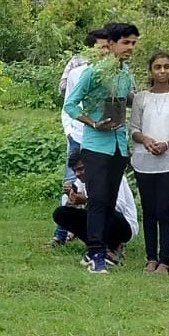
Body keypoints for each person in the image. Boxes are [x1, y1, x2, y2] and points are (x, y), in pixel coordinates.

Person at [63, 22, 140, 274]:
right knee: (96, 199)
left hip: (119, 144)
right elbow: (71, 104)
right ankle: (95, 252)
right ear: (112, 44)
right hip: (96, 145)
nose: (130, 47)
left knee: (108, 201)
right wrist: (93, 122)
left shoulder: (125, 72)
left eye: (134, 43)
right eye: (126, 42)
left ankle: (105, 247)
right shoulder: (93, 72)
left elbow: (129, 99)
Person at [129, 51, 169, 274]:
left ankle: (164, 260)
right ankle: (150, 258)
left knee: (164, 210)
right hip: (144, 160)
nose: (162, 71)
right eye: (158, 67)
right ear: (151, 71)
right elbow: (134, 129)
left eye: (166, 66)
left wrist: (166, 144)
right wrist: (145, 140)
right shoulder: (141, 98)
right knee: (148, 210)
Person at [51, 29, 110, 246]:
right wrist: (69, 133)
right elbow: (68, 106)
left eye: (107, 46)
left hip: (102, 138)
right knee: (71, 184)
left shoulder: (113, 74)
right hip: (78, 135)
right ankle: (60, 234)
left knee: (100, 186)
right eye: (100, 47)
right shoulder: (77, 73)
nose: (105, 51)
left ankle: (99, 236)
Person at [51, 154, 137, 260]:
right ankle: (96, 243)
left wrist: (87, 200)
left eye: (81, 169)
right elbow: (69, 203)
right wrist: (71, 196)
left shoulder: (112, 176)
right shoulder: (82, 181)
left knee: (106, 210)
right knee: (60, 213)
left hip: (123, 226)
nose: (78, 174)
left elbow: (118, 207)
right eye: (75, 171)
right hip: (99, 222)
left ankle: (114, 245)